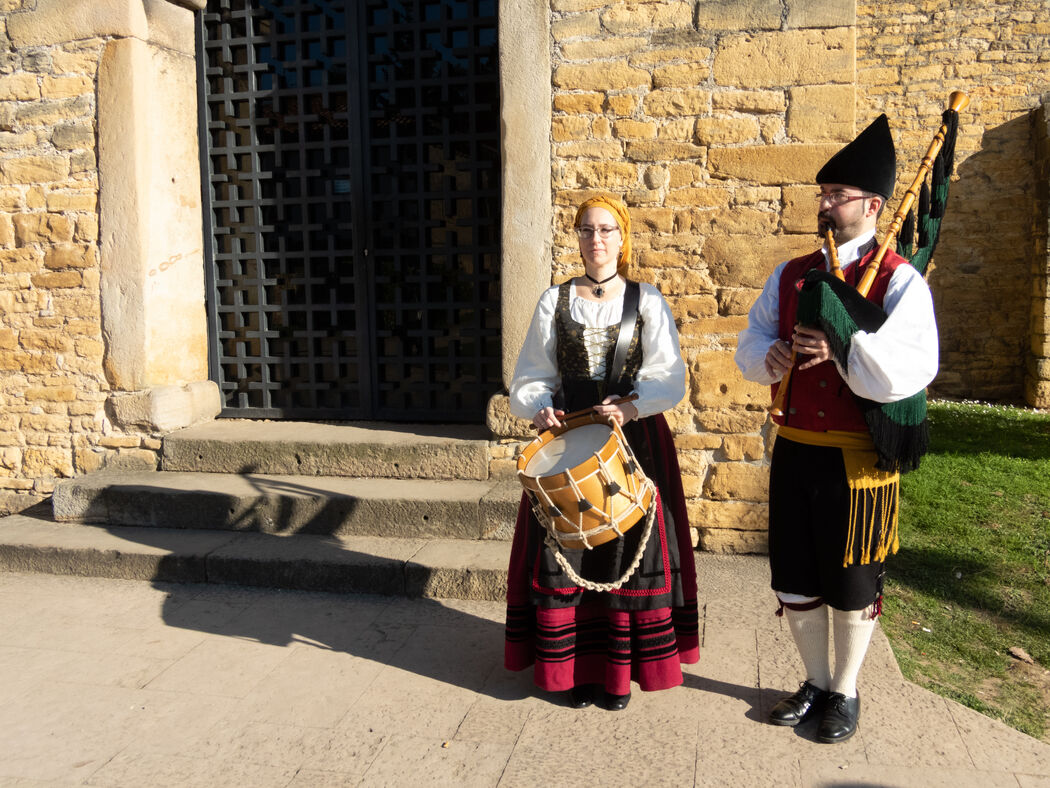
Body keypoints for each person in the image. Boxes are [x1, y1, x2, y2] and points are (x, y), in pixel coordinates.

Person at [734, 115, 939, 743]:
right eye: (821, 194)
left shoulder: (899, 279)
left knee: (850, 581)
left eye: (836, 195)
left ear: (872, 205)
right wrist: (764, 357)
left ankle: (845, 691)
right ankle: (816, 681)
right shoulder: (791, 273)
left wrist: (844, 351)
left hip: (858, 462)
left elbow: (910, 369)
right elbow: (752, 336)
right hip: (794, 449)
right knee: (795, 576)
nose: (824, 204)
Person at [504, 194, 699, 711]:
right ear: (578, 237)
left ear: (622, 237)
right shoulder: (554, 301)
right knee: (567, 548)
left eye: (607, 230)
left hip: (632, 440)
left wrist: (634, 408)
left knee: (625, 555)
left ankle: (618, 674)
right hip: (570, 440)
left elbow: (669, 376)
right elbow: (529, 375)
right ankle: (571, 673)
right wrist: (540, 407)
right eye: (588, 230)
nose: (597, 240)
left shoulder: (647, 300)